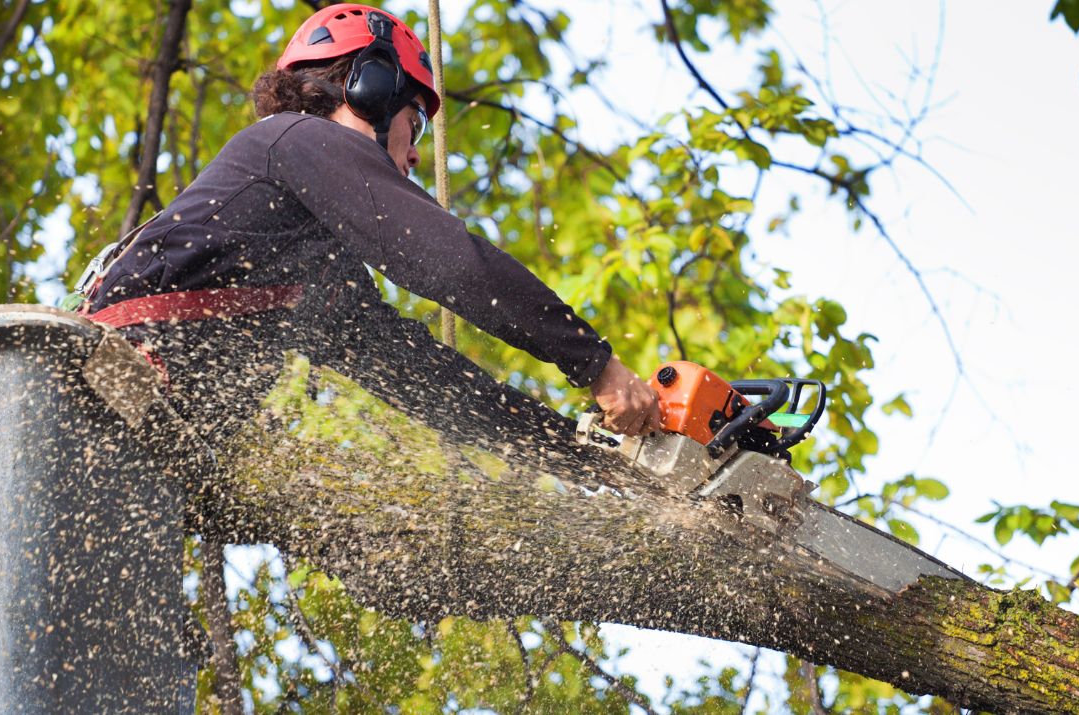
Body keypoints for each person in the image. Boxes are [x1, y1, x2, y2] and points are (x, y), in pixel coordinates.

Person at [80, 3, 661, 442]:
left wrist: (574, 448)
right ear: (371, 89)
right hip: (102, 389)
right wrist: (596, 363)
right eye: (417, 121)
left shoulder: (313, 261)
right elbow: (451, 261)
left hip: (137, 431)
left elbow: (418, 376)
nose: (414, 156)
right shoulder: (297, 139)